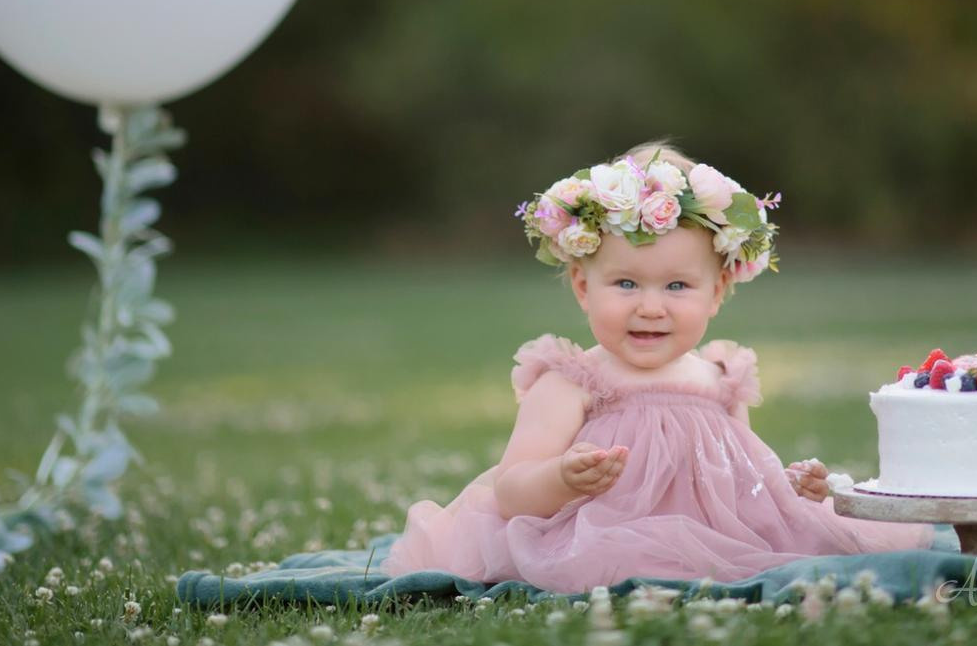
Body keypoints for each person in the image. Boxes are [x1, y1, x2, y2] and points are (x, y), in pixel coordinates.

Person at [380, 143, 932, 592]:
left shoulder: (720, 378)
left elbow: (739, 474)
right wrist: (560, 477)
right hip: (603, 538)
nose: (650, 306)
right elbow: (511, 491)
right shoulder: (572, 381)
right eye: (625, 284)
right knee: (618, 562)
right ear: (582, 287)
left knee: (808, 540)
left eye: (676, 286)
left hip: (717, 537)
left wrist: (784, 487)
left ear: (717, 292)